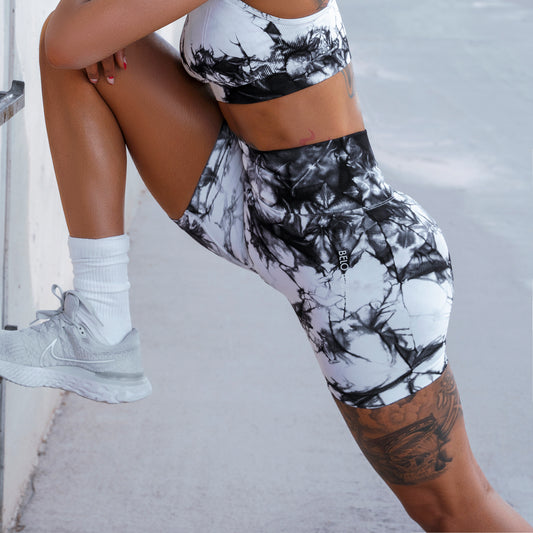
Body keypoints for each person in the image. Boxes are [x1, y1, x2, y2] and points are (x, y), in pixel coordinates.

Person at [0, 0, 531, 530]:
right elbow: (77, 43)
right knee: (81, 50)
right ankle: (100, 320)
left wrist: (89, 27)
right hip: (257, 207)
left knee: (456, 510)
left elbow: (69, 39)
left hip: (357, 267)